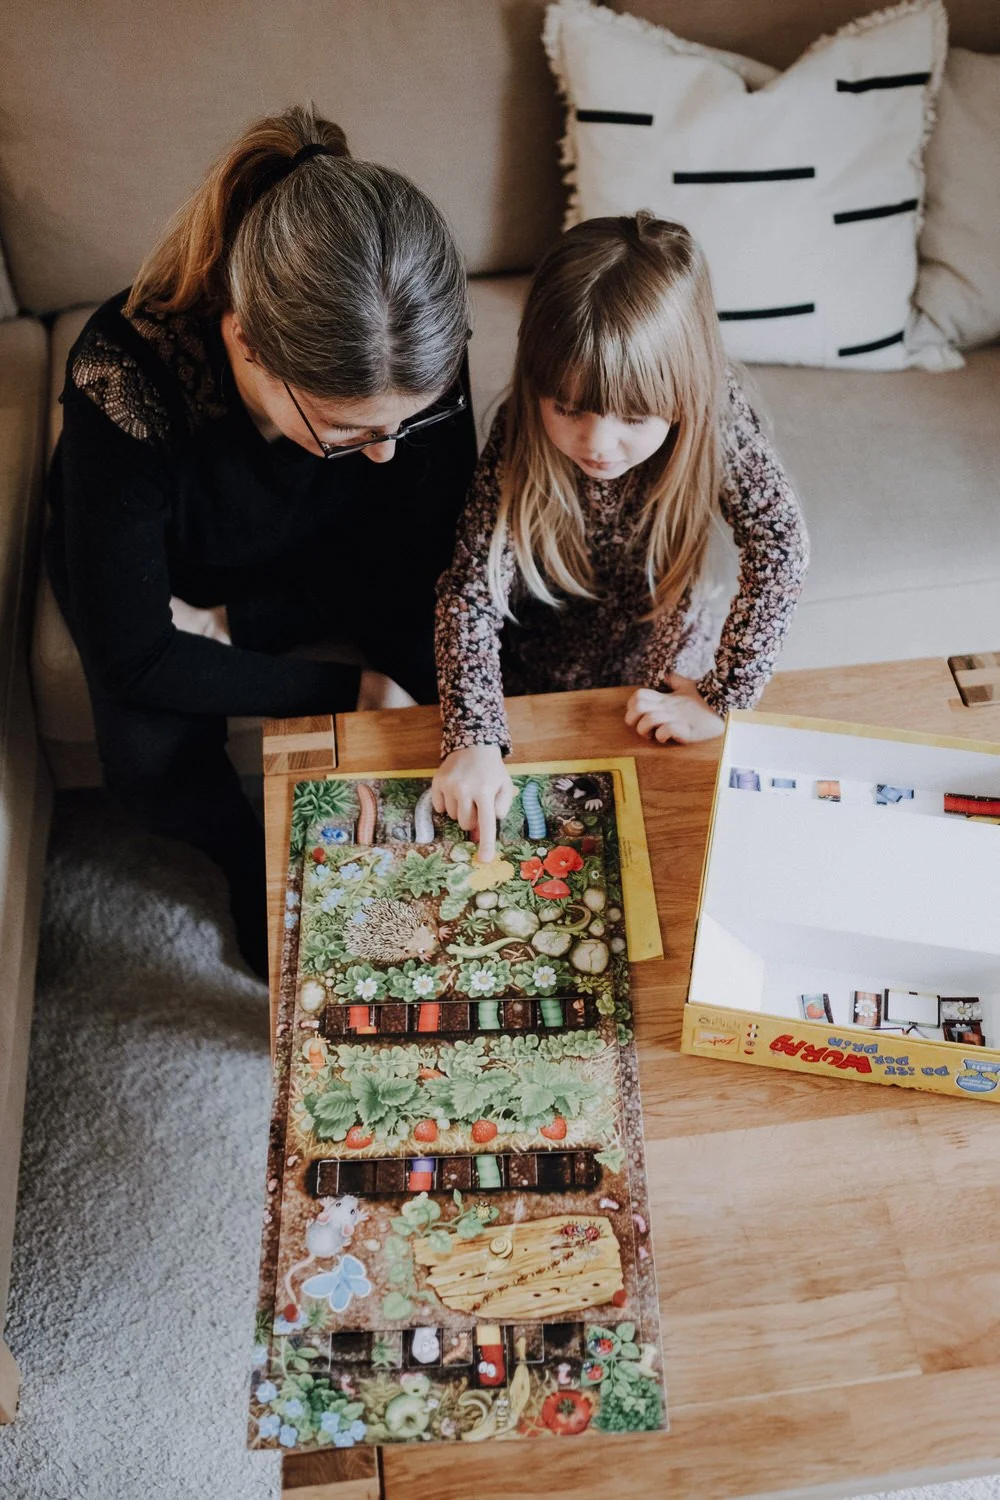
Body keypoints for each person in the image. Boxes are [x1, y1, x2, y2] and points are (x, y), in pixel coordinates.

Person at [47, 106, 477, 978]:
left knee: (472, 668)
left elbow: (429, 541)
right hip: (179, 565)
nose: (390, 449)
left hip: (332, 557)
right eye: (353, 429)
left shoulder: (406, 343)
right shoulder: (123, 379)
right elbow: (134, 654)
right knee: (149, 761)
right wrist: (346, 690)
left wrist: (252, 619)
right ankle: (246, 862)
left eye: (411, 416)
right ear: (245, 341)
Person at [432, 212, 809, 857]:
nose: (598, 444)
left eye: (634, 414)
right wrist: (473, 736)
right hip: (534, 670)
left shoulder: (717, 412)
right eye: (568, 408)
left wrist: (724, 698)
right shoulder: (519, 433)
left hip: (663, 673)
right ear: (536, 385)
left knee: (673, 835)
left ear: (686, 390)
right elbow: (469, 592)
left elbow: (780, 542)